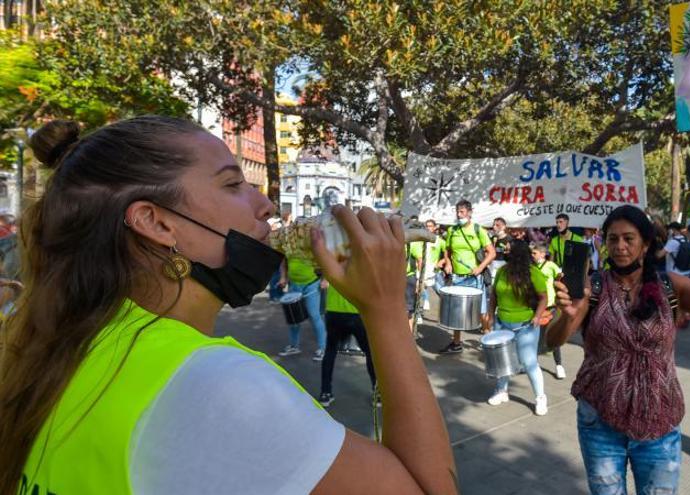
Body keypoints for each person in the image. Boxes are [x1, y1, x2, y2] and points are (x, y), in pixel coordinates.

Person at [0, 117, 456, 494]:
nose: (266, 203)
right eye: (233, 183)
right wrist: (386, 313)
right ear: (156, 222)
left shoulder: (56, 343)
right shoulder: (217, 385)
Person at [546, 205, 690, 495]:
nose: (620, 247)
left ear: (645, 243)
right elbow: (552, 342)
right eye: (612, 239)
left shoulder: (671, 286)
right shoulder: (593, 288)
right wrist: (569, 314)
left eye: (628, 238)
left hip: (660, 423)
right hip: (600, 422)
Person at [487, 240, 549, 415]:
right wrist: (491, 316)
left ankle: (540, 398)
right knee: (502, 360)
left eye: (508, 251)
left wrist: (537, 316)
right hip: (502, 322)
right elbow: (493, 295)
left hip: (525, 326)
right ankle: (501, 391)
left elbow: (543, 297)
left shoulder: (534, 274)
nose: (505, 253)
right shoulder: (502, 271)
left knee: (529, 363)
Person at [439, 199, 496, 354]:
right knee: (458, 311)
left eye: (462, 212)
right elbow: (447, 249)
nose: (459, 215)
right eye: (457, 212)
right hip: (457, 277)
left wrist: (480, 267)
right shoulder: (452, 230)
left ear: (470, 213)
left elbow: (492, 253)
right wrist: (448, 263)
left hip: (474, 278)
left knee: (482, 310)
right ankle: (456, 343)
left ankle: (489, 341)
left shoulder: (479, 230)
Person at [319, 282, 377, 407]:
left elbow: (321, 277)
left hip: (334, 311)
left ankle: (325, 393)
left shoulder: (333, 261)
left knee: (330, 351)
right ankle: (377, 393)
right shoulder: (360, 262)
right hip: (355, 312)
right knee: (370, 352)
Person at [273, 231, 328, 361]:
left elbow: (325, 260)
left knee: (314, 316)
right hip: (294, 285)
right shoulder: (289, 246)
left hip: (311, 285)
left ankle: (323, 348)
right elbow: (283, 262)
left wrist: (325, 279)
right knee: (293, 318)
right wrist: (283, 277)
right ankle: (294, 346)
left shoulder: (312, 246)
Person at [531, 242, 566, 379]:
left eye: (534, 253)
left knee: (553, 337)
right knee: (535, 338)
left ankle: (559, 365)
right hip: (536, 307)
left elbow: (560, 278)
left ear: (542, 254)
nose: (532, 255)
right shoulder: (532, 267)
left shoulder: (551, 266)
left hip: (550, 306)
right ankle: (533, 365)